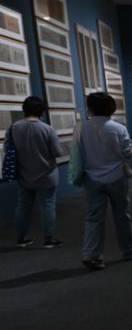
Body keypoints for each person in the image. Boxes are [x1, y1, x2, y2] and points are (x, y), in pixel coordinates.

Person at [79, 92, 132, 270]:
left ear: (90, 108)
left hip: (91, 178)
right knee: (122, 216)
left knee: (94, 218)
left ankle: (91, 254)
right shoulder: (118, 128)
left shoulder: (81, 128)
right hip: (116, 177)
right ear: (111, 108)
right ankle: (128, 251)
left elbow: (78, 153)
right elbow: (126, 153)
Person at [7, 95, 62, 248]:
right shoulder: (47, 129)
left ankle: (21, 238)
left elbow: (8, 149)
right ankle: (48, 239)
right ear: (41, 111)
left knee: (23, 206)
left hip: (24, 174)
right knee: (47, 205)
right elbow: (57, 152)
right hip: (47, 174)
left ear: (24, 109)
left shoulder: (13, 128)